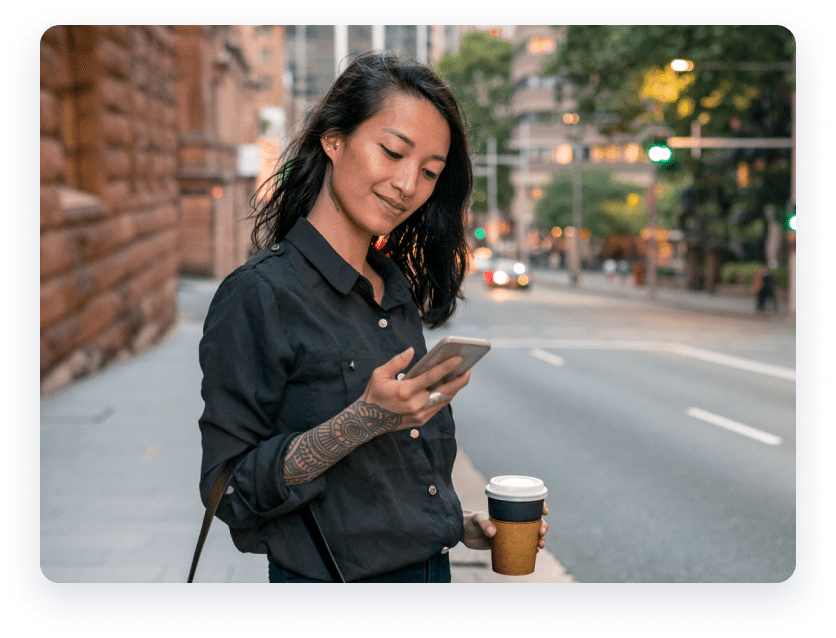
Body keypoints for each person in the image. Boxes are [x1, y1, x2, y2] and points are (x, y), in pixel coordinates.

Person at [198, 52, 548, 583]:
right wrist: (361, 420)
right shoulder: (259, 295)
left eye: (430, 172)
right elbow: (229, 491)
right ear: (333, 139)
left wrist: (462, 525)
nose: (409, 184)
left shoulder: (392, 290)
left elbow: (383, 478)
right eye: (392, 152)